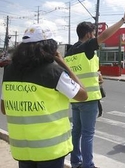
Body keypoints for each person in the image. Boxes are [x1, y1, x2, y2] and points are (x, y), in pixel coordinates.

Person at [1, 24, 88, 168]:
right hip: (50, 150)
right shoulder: (53, 72)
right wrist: (64, 63)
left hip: (23, 149)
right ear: (50, 47)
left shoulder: (9, 71)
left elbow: (4, 109)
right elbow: (83, 95)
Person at [64, 5, 125, 168]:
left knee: (76, 132)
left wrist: (96, 75)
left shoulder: (69, 52)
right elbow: (105, 35)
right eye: (93, 34)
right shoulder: (86, 47)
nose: (95, 37)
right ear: (88, 34)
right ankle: (88, 165)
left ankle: (76, 162)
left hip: (75, 98)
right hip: (89, 99)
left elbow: (78, 72)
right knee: (88, 134)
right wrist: (123, 20)